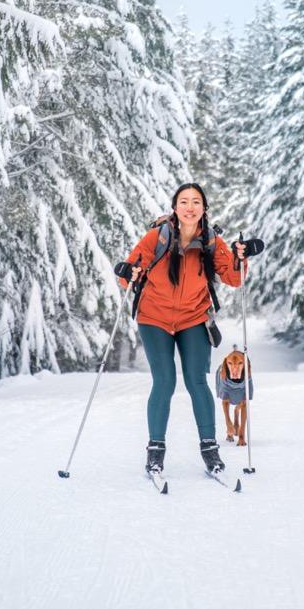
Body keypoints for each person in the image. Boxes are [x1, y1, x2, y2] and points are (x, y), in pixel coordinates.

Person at [115, 183, 251, 476]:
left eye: (196, 202)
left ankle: (210, 450)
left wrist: (242, 258)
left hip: (193, 317)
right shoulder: (157, 237)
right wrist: (128, 272)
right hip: (155, 317)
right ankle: (155, 452)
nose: (190, 207)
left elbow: (232, 277)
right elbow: (131, 271)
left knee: (196, 382)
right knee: (164, 382)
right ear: (175, 207)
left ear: (204, 208)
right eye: (184, 202)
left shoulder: (212, 241)